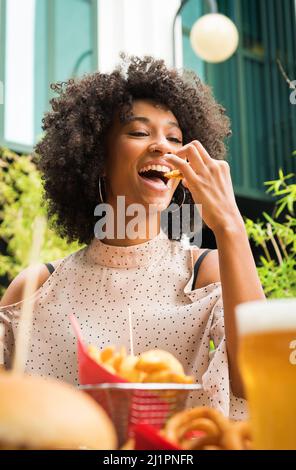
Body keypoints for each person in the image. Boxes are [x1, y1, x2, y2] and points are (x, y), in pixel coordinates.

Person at [0, 55, 265, 420]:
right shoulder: (34, 291)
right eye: (140, 132)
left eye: (175, 137)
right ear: (98, 157)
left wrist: (230, 226)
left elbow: (260, 381)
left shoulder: (206, 272)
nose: (162, 146)